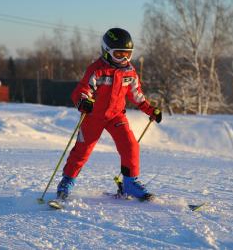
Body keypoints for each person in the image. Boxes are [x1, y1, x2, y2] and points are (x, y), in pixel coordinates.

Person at [56, 28, 162, 201]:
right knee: (82, 151)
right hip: (93, 117)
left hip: (116, 116)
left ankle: (129, 183)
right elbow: (82, 90)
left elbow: (137, 95)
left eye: (128, 54)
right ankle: (67, 181)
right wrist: (84, 101)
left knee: (131, 145)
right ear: (106, 51)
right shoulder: (97, 70)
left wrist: (151, 110)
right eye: (119, 54)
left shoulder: (129, 72)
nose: (124, 59)